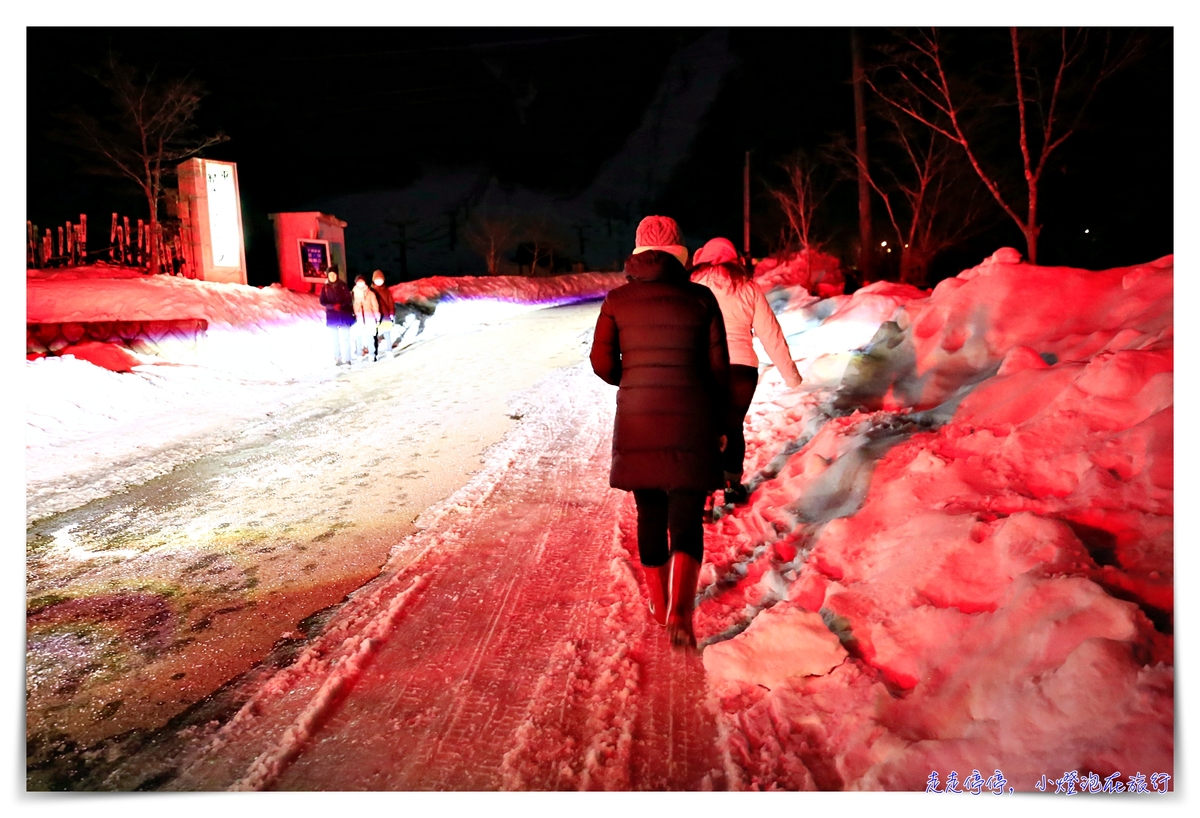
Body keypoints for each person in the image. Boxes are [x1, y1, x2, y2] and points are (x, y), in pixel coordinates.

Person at [590, 215, 730, 649]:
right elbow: (719, 371)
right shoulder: (702, 299)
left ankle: (658, 601)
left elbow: (600, 362)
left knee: (649, 512)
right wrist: (722, 424)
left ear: (637, 255)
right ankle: (681, 613)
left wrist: (631, 379)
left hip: (638, 417)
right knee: (686, 517)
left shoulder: (617, 299)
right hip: (692, 418)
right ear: (681, 257)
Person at [690, 237, 803, 505]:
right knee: (732, 426)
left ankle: (704, 491)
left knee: (706, 427)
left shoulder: (694, 287)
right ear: (734, 259)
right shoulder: (748, 288)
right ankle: (732, 487)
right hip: (743, 370)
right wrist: (791, 375)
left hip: (706, 366)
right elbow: (770, 332)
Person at [318, 266, 354, 366]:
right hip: (332, 316)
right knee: (335, 339)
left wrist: (341, 305)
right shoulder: (325, 287)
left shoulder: (343, 285)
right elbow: (322, 301)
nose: (332, 276)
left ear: (337, 275)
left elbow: (349, 299)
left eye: (334, 274)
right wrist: (331, 306)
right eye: (330, 275)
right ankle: (337, 358)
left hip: (344, 314)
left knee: (346, 338)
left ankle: (347, 359)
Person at [351, 274, 381, 363]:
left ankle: (372, 354)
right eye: (359, 282)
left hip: (369, 318)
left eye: (362, 282)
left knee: (370, 337)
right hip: (359, 318)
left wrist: (377, 317)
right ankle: (359, 355)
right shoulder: (353, 294)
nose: (360, 284)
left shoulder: (371, 294)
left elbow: (375, 306)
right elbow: (350, 306)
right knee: (358, 338)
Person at [370, 269, 397, 360]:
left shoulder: (386, 291)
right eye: (377, 279)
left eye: (380, 279)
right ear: (373, 280)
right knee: (374, 335)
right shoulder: (371, 291)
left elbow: (390, 302)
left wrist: (392, 313)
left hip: (385, 316)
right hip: (374, 316)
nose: (379, 281)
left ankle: (389, 351)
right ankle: (374, 353)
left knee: (387, 333)